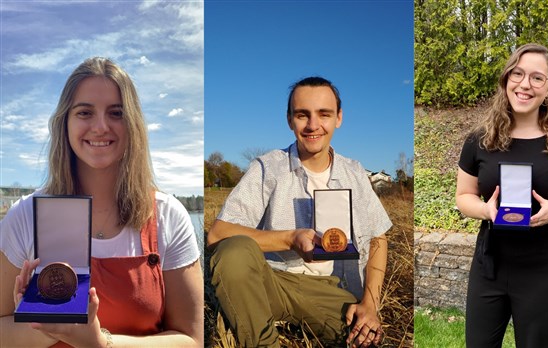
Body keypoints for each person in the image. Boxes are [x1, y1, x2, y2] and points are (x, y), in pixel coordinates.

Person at [0, 57, 204, 347]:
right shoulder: (24, 216)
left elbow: (191, 340)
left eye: (116, 113)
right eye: (85, 112)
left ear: (133, 123)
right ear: (65, 123)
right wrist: (46, 322)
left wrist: (99, 342)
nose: (100, 127)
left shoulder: (168, 216)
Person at [207, 76, 392, 347]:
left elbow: (378, 238)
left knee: (367, 340)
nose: (313, 125)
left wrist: (370, 304)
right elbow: (217, 235)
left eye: (324, 114)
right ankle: (263, 340)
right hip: (271, 282)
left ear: (338, 118)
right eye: (302, 115)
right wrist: (290, 239)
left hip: (332, 289)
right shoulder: (268, 167)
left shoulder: (354, 172)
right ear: (289, 119)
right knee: (232, 252)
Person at [456, 43, 548, 347]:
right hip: (490, 265)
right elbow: (464, 195)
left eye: (537, 77)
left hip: (542, 269)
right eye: (517, 74)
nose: (525, 84)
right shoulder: (479, 140)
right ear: (506, 80)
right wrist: (486, 211)